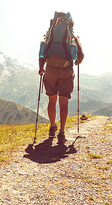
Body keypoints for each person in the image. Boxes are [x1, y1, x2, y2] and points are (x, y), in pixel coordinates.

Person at [38, 14, 84, 144]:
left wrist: (41, 68)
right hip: (65, 71)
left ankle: (52, 127)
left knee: (52, 100)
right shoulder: (73, 36)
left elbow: (42, 52)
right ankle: (62, 132)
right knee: (63, 102)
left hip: (51, 70)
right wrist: (77, 61)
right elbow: (80, 56)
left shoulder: (49, 34)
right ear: (70, 24)